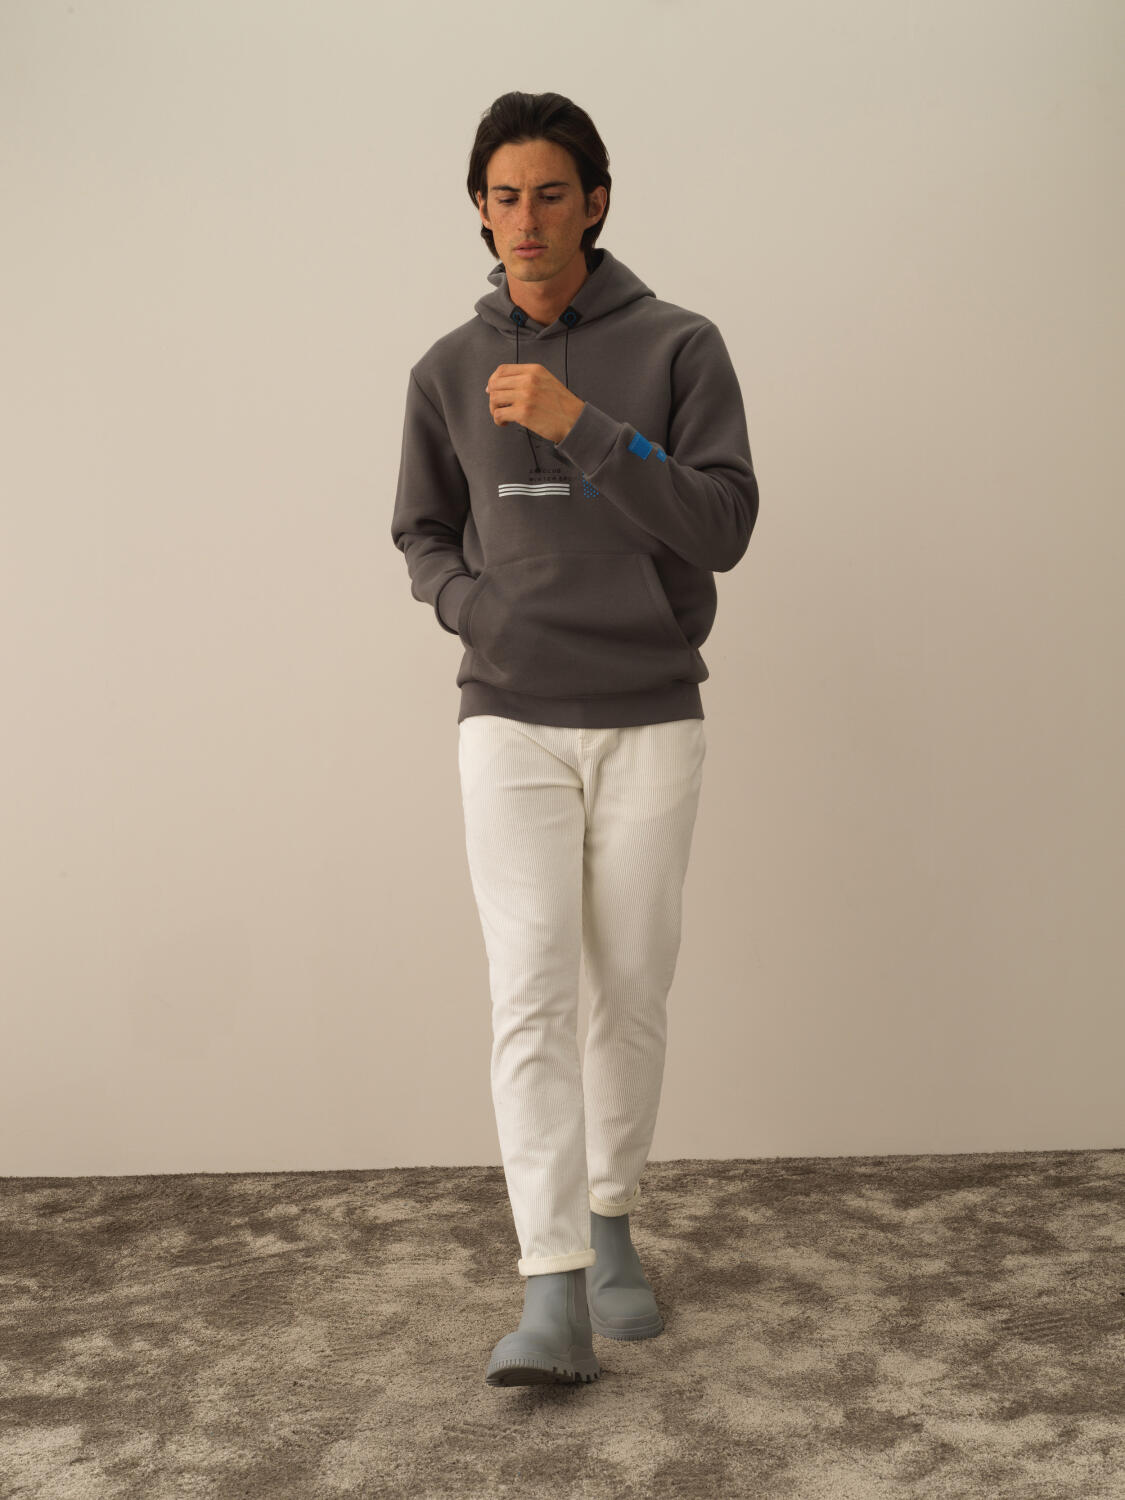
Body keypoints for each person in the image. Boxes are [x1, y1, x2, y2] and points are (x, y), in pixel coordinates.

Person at [391, 91, 759, 1386]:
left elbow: (721, 527)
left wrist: (580, 425)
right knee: (530, 988)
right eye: (503, 197)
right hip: (508, 714)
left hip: (649, 708)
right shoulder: (445, 368)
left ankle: (611, 1224)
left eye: (550, 194)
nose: (526, 221)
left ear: (595, 202)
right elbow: (420, 531)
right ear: (479, 210)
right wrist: (472, 606)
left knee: (631, 984)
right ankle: (548, 1284)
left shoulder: (681, 345)